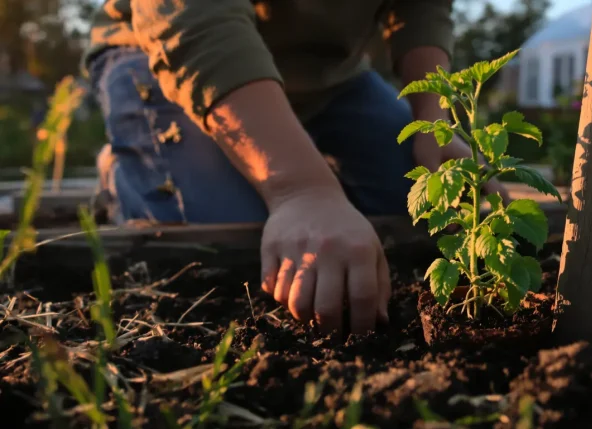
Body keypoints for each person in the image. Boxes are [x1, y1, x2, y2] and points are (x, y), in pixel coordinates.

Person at [84, 0, 507, 335]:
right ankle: (133, 167)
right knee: (222, 249)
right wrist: (301, 190)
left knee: (416, 207)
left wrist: (433, 121)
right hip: (169, 48)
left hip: (330, 73)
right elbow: (193, 17)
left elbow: (421, 8)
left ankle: (288, 145)